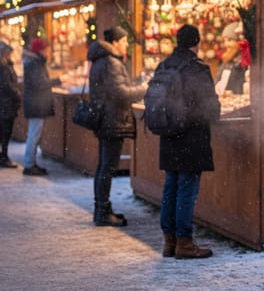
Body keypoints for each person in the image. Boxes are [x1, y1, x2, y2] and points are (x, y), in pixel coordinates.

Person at [157, 24, 220, 259]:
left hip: (169, 136)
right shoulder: (198, 69)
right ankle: (184, 243)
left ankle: (169, 241)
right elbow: (211, 109)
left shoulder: (164, 65)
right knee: (186, 189)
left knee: (170, 187)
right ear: (197, 43)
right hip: (192, 138)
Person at [87, 26, 147, 227]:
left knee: (104, 165)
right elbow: (121, 93)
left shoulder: (100, 61)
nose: (126, 45)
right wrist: (144, 89)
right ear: (114, 43)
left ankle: (102, 207)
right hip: (112, 120)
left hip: (106, 118)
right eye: (123, 41)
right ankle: (102, 211)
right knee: (107, 166)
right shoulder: (111, 63)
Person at [22, 37, 58, 176]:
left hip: (36, 103)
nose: (48, 52)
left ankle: (31, 163)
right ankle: (29, 164)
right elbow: (40, 83)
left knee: (34, 134)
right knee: (34, 134)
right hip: (36, 104)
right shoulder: (34, 64)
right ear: (40, 51)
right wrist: (58, 80)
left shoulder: (35, 63)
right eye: (46, 49)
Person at [0, 41, 21, 168]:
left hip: (4, 101)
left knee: (3, 130)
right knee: (5, 130)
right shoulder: (2, 67)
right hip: (6, 102)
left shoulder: (2, 66)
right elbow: (6, 85)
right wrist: (17, 94)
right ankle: (2, 156)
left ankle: (1, 155)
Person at [215, 22, 248, 95]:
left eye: (229, 40)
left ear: (239, 42)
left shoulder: (244, 62)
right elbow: (217, 83)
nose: (226, 44)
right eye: (224, 41)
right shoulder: (227, 60)